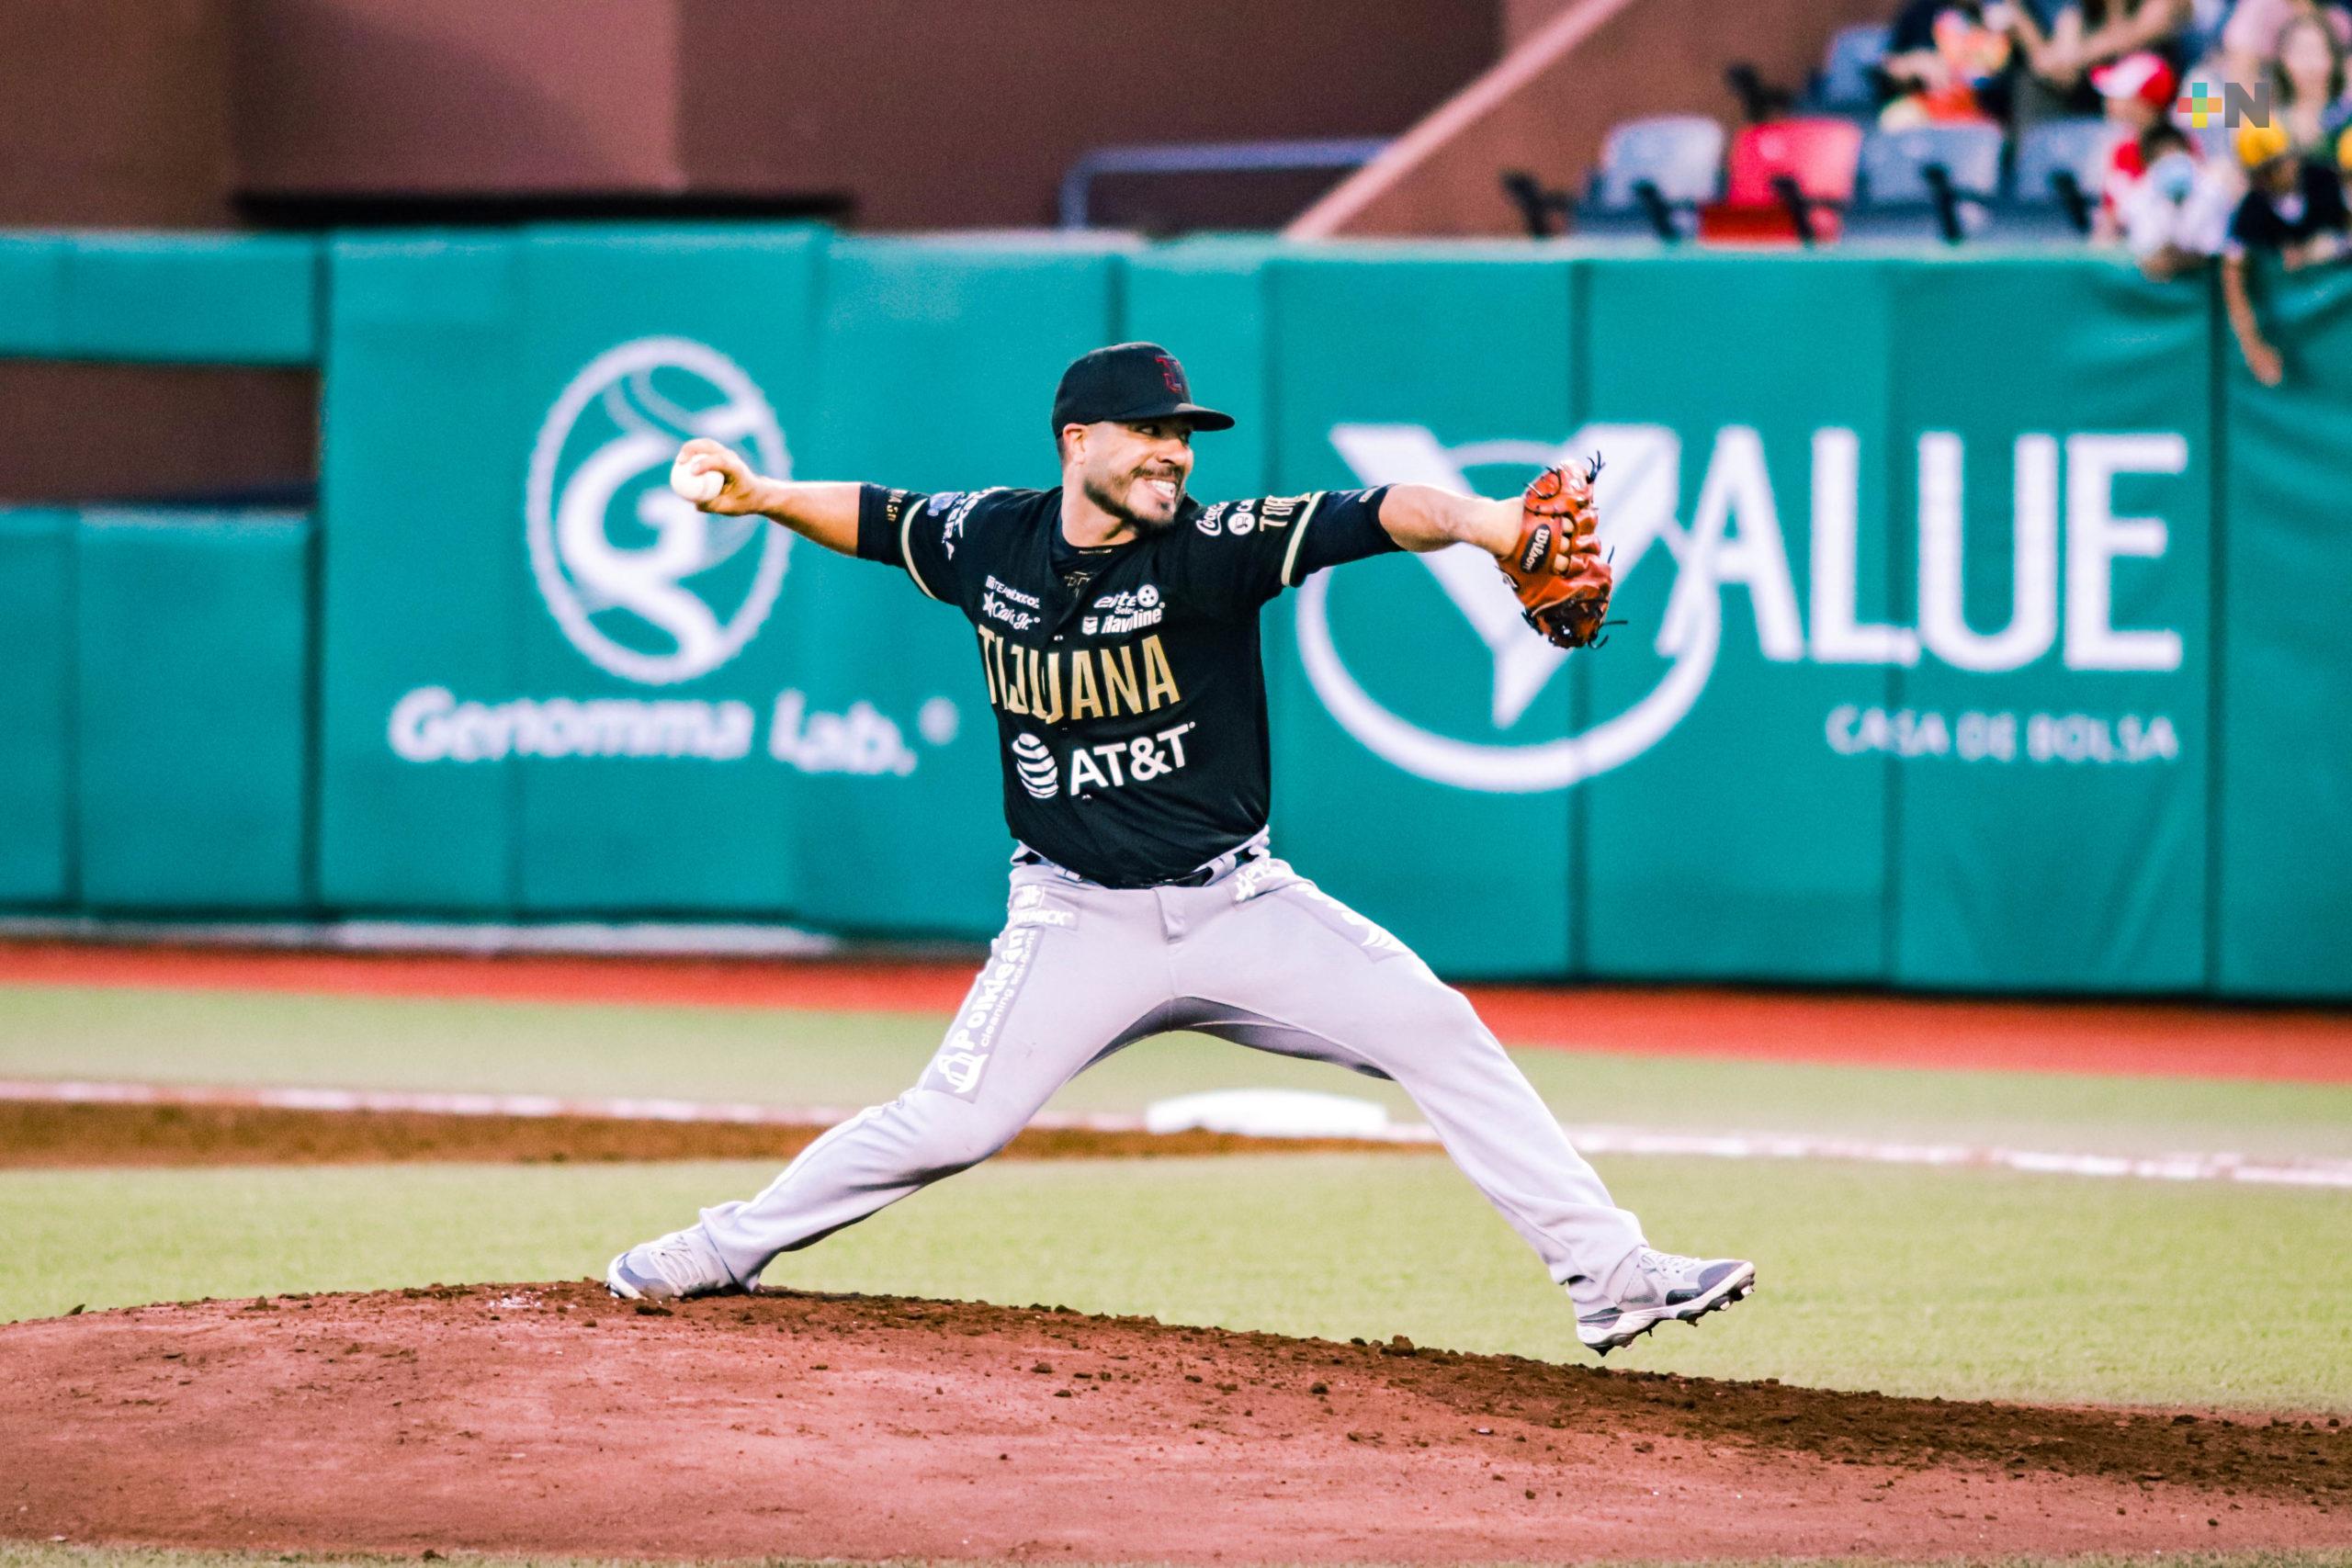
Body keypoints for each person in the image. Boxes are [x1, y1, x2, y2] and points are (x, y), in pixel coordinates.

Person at [600, 342, 1757, 1358]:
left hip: (1239, 907)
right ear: (1076, 441)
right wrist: (758, 495)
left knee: (1438, 1029)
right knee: (950, 1125)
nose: (1174, 455)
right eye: (1150, 434)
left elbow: (1382, 510)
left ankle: (1610, 1280)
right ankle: (713, 1252)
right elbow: (877, 515)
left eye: (1183, 436)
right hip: (1074, 918)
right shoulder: (991, 536)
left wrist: (1495, 526)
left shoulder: (1211, 549)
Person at [2222, 120, 2350, 383]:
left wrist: (2331, 247)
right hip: (2294, 324)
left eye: (2285, 161)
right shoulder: (2252, 210)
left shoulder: (2325, 180)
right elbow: (2232, 273)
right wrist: (2252, 345)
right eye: (2269, 168)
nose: (2285, 170)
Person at [2121, 119, 2244, 274]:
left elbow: (2215, 251)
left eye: (2175, 154)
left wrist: (2181, 259)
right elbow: (2145, 254)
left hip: (2205, 287)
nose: (2172, 162)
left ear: (2188, 153)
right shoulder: (2138, 200)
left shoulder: (2214, 192)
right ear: (2149, 164)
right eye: (2163, 158)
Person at [2086, 51, 2182, 239]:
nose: (2109, 103)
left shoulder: (2179, 150)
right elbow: (2109, 219)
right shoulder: (2121, 150)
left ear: (2144, 104)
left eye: (2118, 96)